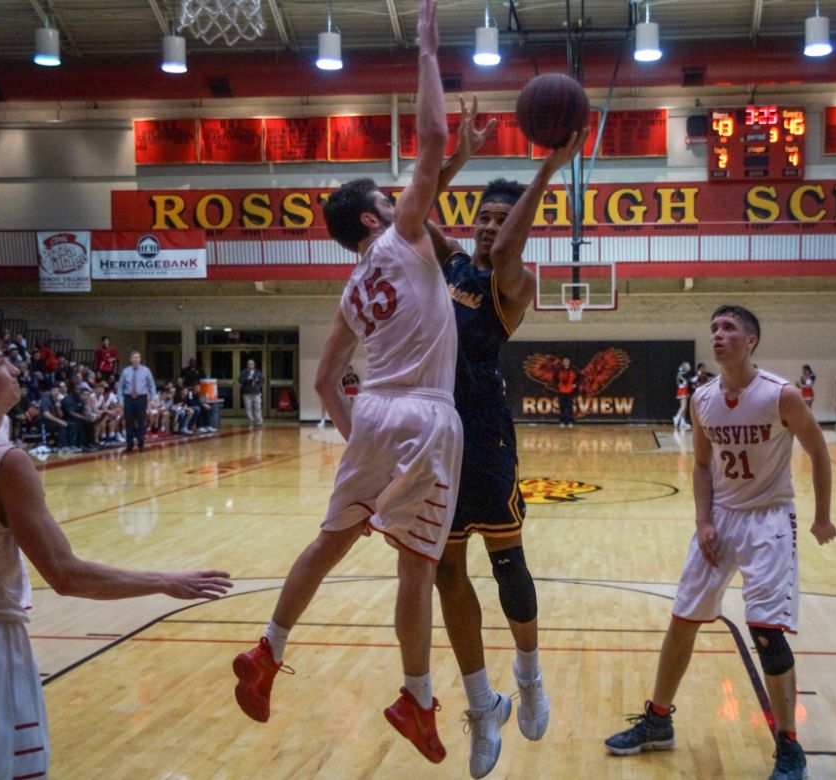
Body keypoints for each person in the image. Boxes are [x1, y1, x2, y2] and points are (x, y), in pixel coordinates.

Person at [231, 1, 462, 764]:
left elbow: (327, 380)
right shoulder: (403, 236)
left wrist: (360, 439)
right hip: (426, 415)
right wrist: (427, 48)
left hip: (374, 415)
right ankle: (416, 697)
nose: (399, 202)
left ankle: (268, 649)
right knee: (416, 564)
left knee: (329, 542)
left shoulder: (353, 289)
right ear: (372, 220)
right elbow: (433, 139)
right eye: (386, 201)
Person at [0, 331, 231, 778]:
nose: (16, 369)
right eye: (1, 362)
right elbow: (66, 575)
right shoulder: (2, 459)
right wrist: (164, 581)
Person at [604, 304, 836, 780]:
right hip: (721, 519)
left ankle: (789, 745)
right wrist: (703, 519)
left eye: (728, 328)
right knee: (683, 618)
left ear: (750, 341)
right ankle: (658, 720)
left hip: (769, 519)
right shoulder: (702, 398)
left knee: (766, 633)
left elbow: (818, 450)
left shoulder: (781, 394)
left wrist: (822, 517)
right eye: (713, 327)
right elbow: (702, 465)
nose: (717, 334)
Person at [427, 103, 584, 777]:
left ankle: (528, 674)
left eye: (503, 218)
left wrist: (548, 169)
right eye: (484, 217)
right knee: (445, 571)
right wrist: (456, 157)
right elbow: (411, 207)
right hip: (432, 434)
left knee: (507, 565)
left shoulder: (514, 282)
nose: (492, 227)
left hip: (484, 432)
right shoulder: (453, 264)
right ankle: (481, 703)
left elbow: (512, 248)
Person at [118, 351, 157, 453]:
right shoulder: (125, 371)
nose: (135, 359)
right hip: (128, 398)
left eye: (137, 357)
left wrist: (153, 399)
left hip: (141, 397)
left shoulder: (146, 370)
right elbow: (120, 387)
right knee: (129, 422)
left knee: (141, 421)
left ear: (140, 359)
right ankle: (129, 445)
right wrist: (120, 400)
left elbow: (152, 385)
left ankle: (141, 444)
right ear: (130, 359)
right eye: (134, 357)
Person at [554, 356, 580, 427]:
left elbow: (580, 377)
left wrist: (575, 384)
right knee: (562, 407)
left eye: (567, 361)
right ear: (562, 362)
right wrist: (557, 384)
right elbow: (554, 378)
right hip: (561, 391)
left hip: (570, 391)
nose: (566, 363)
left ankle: (570, 421)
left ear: (569, 362)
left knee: (570, 407)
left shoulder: (574, 369)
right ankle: (562, 422)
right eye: (564, 361)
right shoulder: (559, 370)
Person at [240, 358, 265, 427]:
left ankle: (259, 421)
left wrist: (258, 380)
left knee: (258, 407)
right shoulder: (244, 372)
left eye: (252, 364)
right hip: (247, 392)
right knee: (248, 408)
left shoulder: (257, 372)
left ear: (254, 365)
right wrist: (247, 378)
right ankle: (251, 421)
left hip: (256, 392)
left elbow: (262, 380)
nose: (251, 365)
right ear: (247, 365)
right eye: (249, 364)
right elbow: (240, 380)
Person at [673, 361, 692, 430]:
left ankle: (682, 422)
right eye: (688, 366)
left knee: (684, 407)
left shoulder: (681, 373)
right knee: (683, 407)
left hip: (682, 389)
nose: (689, 367)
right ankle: (677, 417)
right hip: (682, 390)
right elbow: (689, 380)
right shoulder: (682, 374)